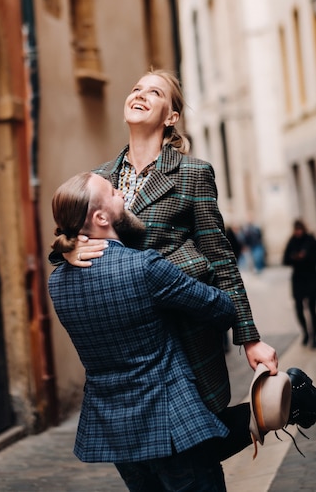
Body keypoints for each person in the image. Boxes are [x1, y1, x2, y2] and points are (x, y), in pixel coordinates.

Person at [49, 172, 316, 490]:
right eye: (112, 191)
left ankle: (292, 402)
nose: (121, 192)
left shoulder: (57, 283)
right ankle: (294, 398)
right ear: (101, 216)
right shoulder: (144, 266)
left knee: (203, 446)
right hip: (170, 418)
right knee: (198, 458)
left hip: (119, 434)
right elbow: (220, 308)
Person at [65, 69, 278, 420]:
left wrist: (249, 338)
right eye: (136, 89)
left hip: (182, 334)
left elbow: (220, 258)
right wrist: (70, 249)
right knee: (147, 443)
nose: (141, 95)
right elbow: (67, 236)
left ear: (171, 117)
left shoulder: (193, 173)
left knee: (196, 442)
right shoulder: (99, 178)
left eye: (154, 93)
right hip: (128, 345)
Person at [283, 219, 316, 348]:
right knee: (299, 308)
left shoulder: (310, 240)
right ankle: (305, 333)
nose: (298, 232)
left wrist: (305, 256)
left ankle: (314, 335)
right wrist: (294, 257)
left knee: (312, 309)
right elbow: (285, 259)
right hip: (297, 279)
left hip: (310, 277)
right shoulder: (292, 241)